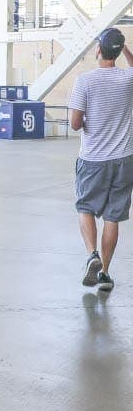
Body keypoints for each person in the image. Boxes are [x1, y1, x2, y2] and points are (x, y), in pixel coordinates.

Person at [69, 26, 133, 292]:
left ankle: (92, 254)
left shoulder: (85, 81)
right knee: (112, 217)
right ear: (118, 53)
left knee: (85, 208)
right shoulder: (128, 79)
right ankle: (104, 273)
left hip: (93, 158)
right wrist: (124, 47)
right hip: (124, 160)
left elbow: (74, 124)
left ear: (98, 49)